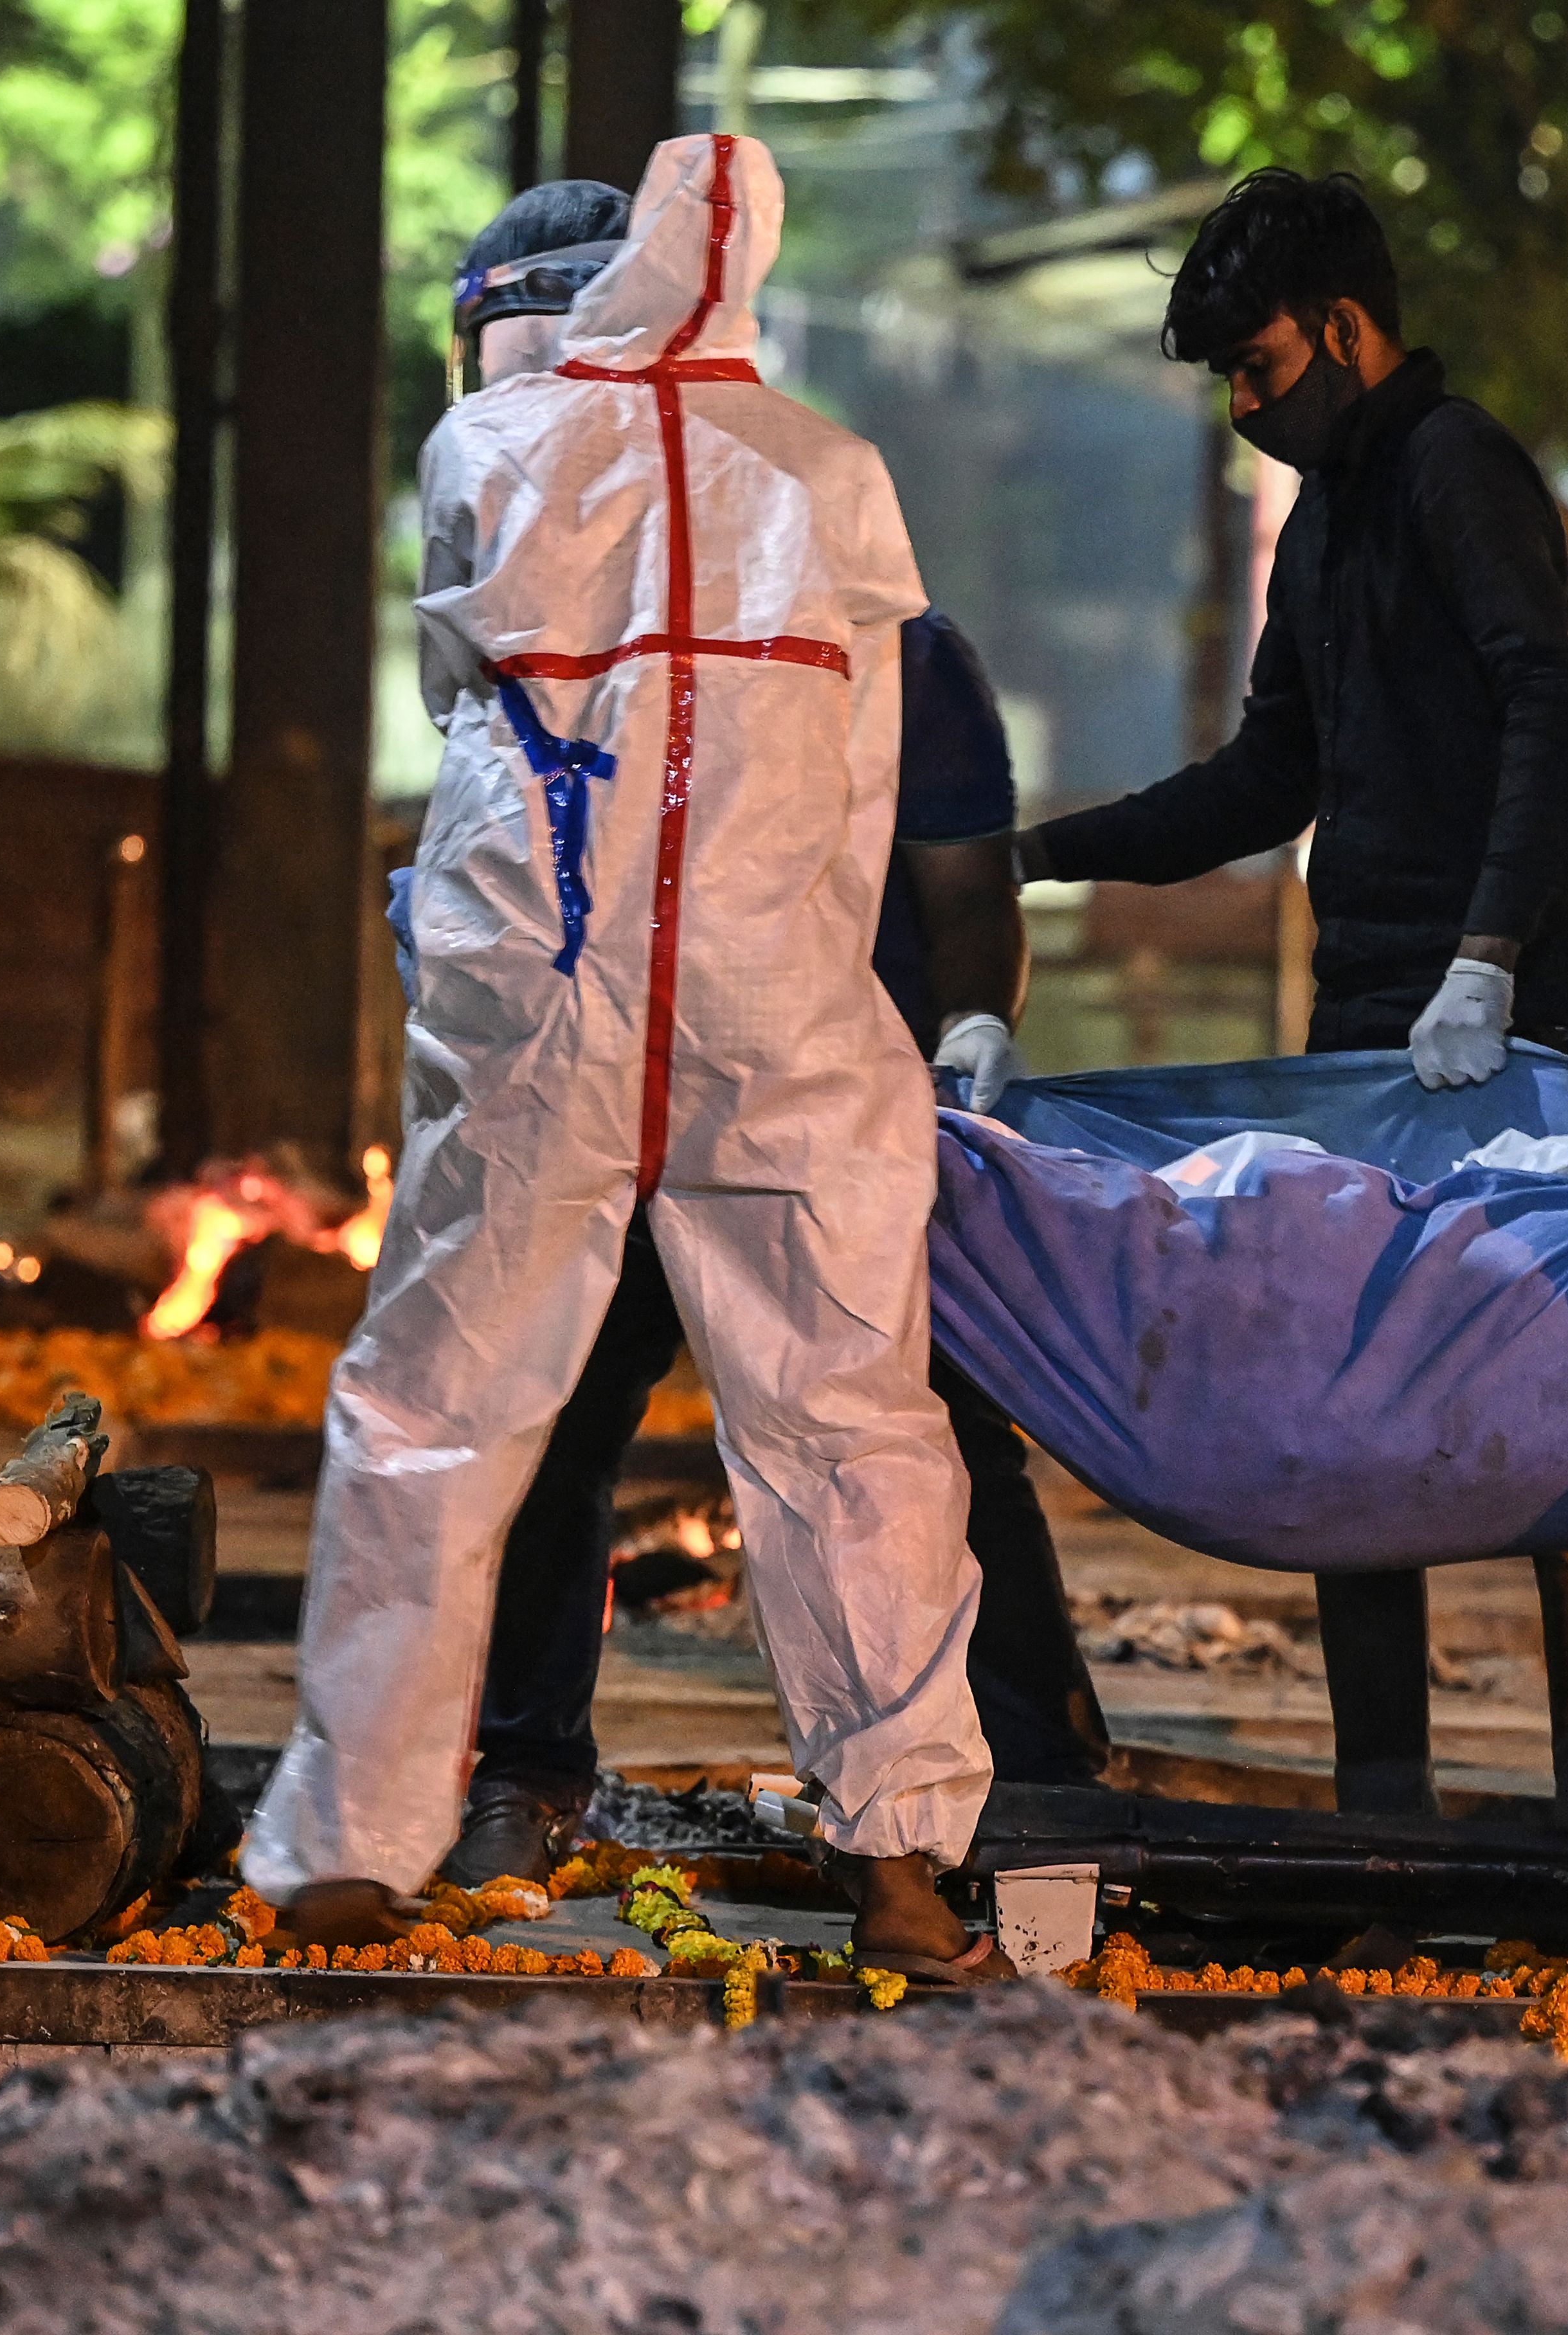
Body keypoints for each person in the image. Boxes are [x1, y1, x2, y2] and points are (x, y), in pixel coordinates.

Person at [247, 133, 1009, 1981]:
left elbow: (466, 723)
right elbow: (867, 774)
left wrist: (481, 960)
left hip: (552, 1008)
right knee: (851, 1429)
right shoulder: (832, 471)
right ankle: (905, 1862)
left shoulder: (489, 454)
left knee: (436, 1405)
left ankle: (354, 1845)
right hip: (779, 1012)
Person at [1007, 167, 1568, 1817]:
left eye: (1263, 367)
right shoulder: (1336, 513)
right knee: (1356, 1413)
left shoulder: (1456, 466)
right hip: (1370, 1030)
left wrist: (1491, 959)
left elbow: (1559, 701)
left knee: (1565, 1400)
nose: (1247, 405)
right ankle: (1386, 1810)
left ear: (1349, 328)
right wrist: (1033, 853)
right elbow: (1268, 773)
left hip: (1521, 1027)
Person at [453, 606, 1112, 1886]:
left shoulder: (908, 658)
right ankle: (525, 1768)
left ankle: (1037, 1780)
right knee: (561, 1412)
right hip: (631, 1099)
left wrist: (972, 1022)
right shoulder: (613, 649)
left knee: (933, 1426)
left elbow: (968, 888)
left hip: (835, 1112)